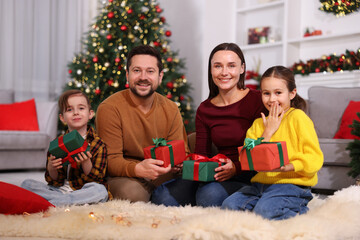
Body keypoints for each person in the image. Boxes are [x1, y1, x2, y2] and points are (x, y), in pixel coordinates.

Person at [151, 42, 267, 207]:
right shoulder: (205, 109)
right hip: (215, 173)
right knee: (161, 195)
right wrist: (189, 165)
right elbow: (202, 154)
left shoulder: (258, 100)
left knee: (208, 195)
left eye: (231, 66)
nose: (224, 72)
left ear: (242, 69)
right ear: (211, 70)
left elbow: (265, 148)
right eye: (218, 66)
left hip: (249, 176)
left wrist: (235, 168)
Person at [221, 66, 324, 220]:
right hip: (260, 186)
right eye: (266, 93)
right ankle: (265, 209)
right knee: (229, 206)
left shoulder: (298, 118)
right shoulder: (258, 124)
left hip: (292, 185)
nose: (272, 99)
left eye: (278, 93)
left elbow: (314, 157)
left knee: (266, 211)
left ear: (292, 93)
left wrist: (291, 166)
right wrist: (267, 132)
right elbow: (247, 156)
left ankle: (299, 213)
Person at [95, 45, 189, 202]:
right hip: (126, 176)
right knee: (133, 195)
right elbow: (110, 160)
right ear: (127, 75)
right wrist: (138, 169)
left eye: (150, 71)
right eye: (137, 70)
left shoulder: (171, 108)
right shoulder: (109, 108)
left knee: (192, 191)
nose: (143, 77)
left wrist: (179, 163)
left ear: (160, 76)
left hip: (162, 174)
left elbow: (181, 151)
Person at [21, 90, 109, 206]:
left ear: (90, 114)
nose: (76, 113)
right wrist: (51, 168)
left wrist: (86, 162)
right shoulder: (57, 143)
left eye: (81, 108)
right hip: (59, 191)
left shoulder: (98, 145)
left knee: (100, 191)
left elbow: (97, 179)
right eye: (69, 109)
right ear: (62, 118)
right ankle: (65, 201)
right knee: (26, 184)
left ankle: (53, 203)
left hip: (83, 191)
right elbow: (53, 181)